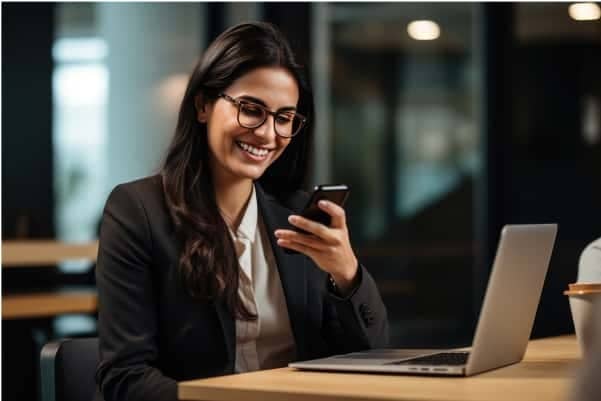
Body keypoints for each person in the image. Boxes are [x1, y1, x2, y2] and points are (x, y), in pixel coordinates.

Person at [94, 22, 389, 401]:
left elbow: (372, 354)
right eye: (252, 110)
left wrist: (347, 275)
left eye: (284, 118)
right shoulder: (138, 211)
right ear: (203, 105)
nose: (268, 134)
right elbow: (125, 377)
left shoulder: (297, 216)